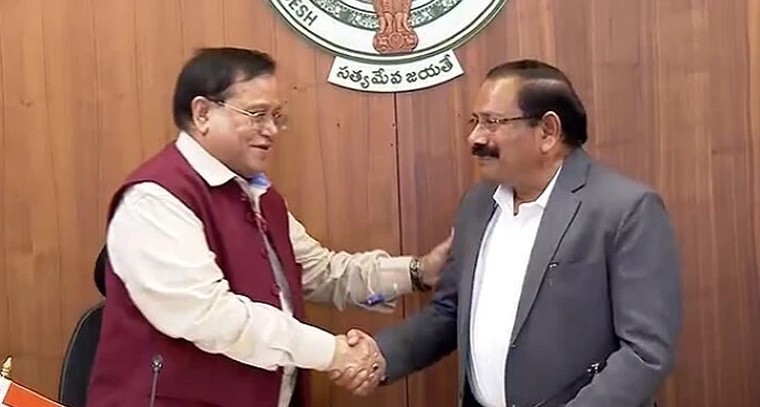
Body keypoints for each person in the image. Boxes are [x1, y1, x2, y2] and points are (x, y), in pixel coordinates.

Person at [85, 47, 451, 407]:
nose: (272, 130)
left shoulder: (259, 195)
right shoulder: (155, 199)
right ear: (202, 113)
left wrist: (419, 272)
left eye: (276, 116)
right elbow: (210, 316)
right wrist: (334, 353)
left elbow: (322, 273)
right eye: (257, 114)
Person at [331, 59, 682, 407]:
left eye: (492, 122)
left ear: (548, 131)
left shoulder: (626, 210)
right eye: (475, 121)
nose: (475, 137)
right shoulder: (477, 205)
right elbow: (450, 311)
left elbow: (644, 353)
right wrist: (382, 355)